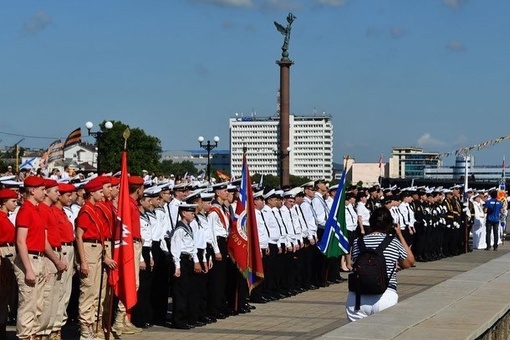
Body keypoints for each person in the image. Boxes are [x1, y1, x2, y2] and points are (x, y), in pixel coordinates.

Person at [345, 207, 415, 322]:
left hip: (357, 298)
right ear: (389, 224)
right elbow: (409, 262)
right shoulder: (393, 241)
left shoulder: (358, 242)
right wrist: (399, 234)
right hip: (385, 296)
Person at [0, 189, 18, 339]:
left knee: (6, 295)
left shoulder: (6, 217)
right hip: (3, 253)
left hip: (9, 252)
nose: (15, 203)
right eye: (13, 201)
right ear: (4, 202)